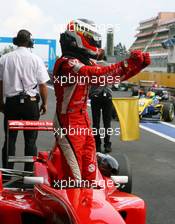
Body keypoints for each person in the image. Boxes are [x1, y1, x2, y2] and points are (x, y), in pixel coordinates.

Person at [53, 18, 151, 182]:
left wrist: (138, 66)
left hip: (83, 120)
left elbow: (110, 77)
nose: (94, 41)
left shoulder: (85, 62)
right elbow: (98, 74)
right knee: (75, 177)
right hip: (67, 123)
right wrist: (127, 63)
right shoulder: (66, 64)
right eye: (90, 37)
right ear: (78, 37)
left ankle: (90, 203)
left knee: (90, 171)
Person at [0, 29, 49, 171]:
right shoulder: (36, 59)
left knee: (10, 140)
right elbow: (43, 85)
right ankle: (29, 173)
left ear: (16, 41)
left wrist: (0, 102)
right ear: (29, 42)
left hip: (11, 104)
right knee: (31, 140)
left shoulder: (5, 58)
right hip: (31, 103)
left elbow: (0, 83)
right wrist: (44, 103)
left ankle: (8, 174)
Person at [89, 81, 113, 153]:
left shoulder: (110, 70)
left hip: (106, 96)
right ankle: (98, 144)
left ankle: (106, 144)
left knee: (106, 123)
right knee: (97, 123)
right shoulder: (93, 70)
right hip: (96, 95)